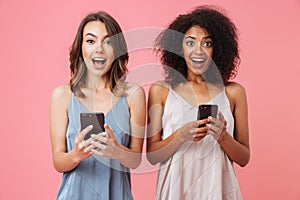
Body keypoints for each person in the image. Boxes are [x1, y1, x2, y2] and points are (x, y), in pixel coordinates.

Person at [147, 5, 250, 200]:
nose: (199, 51)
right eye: (191, 42)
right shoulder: (161, 91)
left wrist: (223, 137)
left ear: (217, 50)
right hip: (175, 191)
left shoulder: (234, 93)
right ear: (179, 47)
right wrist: (181, 135)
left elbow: (244, 158)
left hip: (219, 190)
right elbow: (152, 155)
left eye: (207, 43)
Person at [50, 11, 146, 200]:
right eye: (91, 41)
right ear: (81, 48)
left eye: (108, 42)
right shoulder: (62, 95)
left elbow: (135, 160)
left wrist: (116, 150)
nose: (99, 49)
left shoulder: (134, 95)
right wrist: (76, 154)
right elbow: (58, 161)